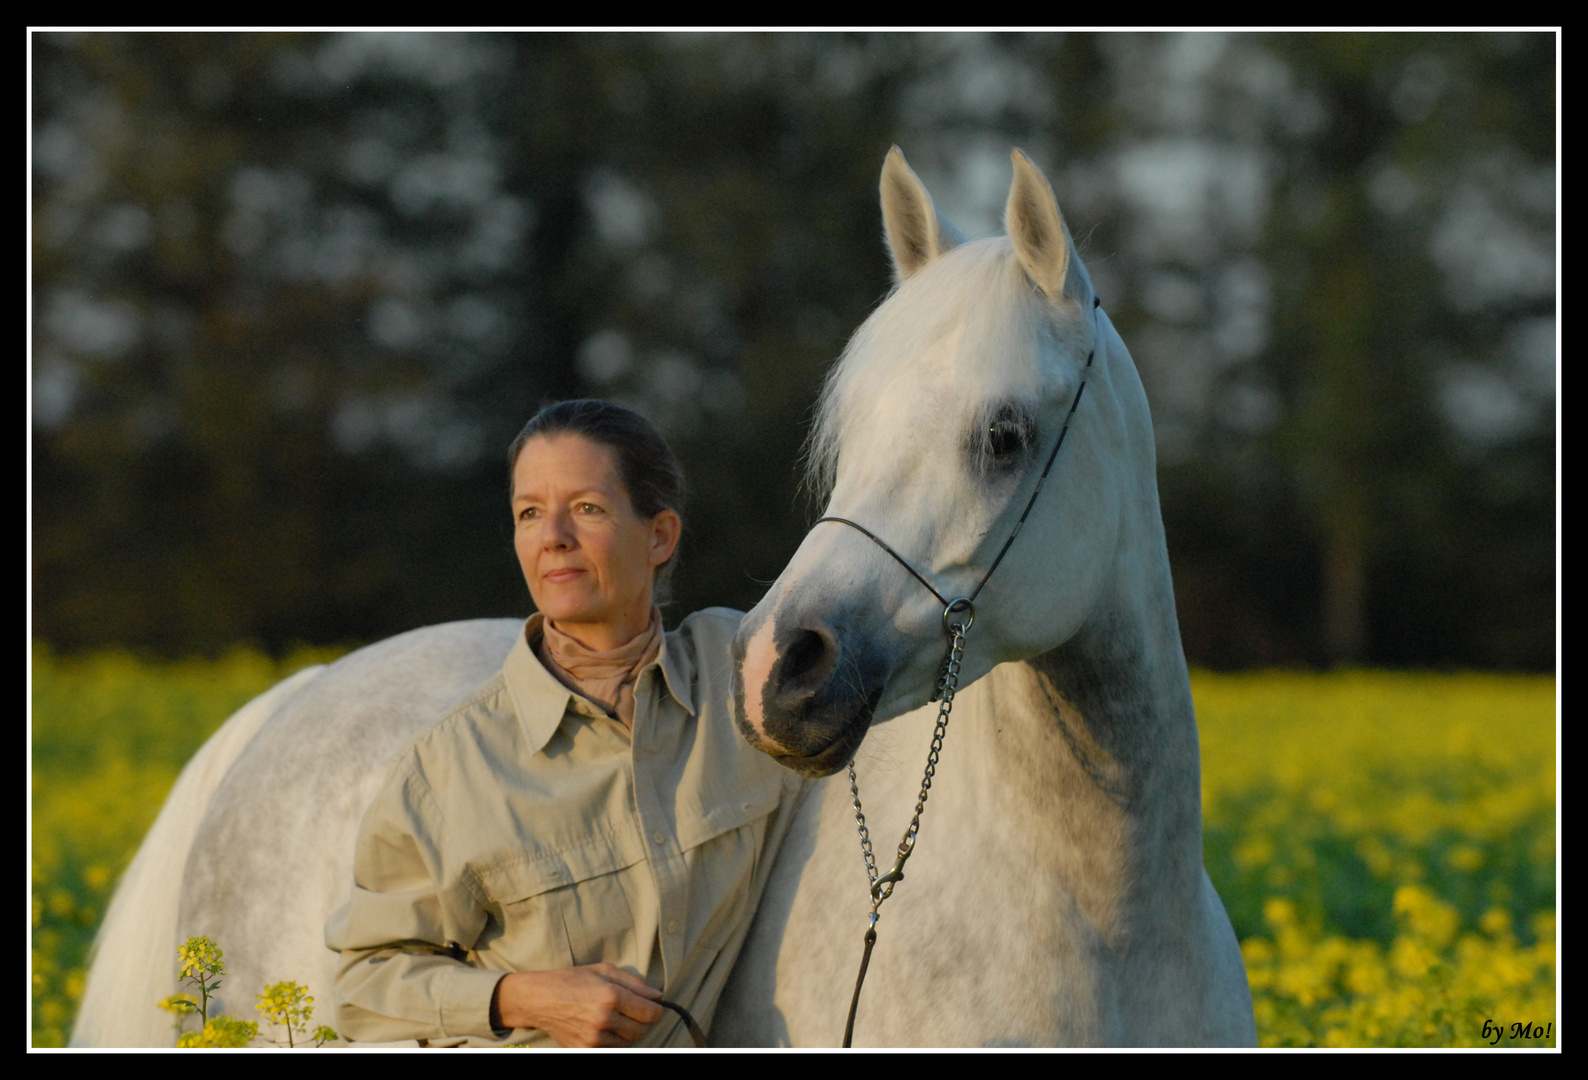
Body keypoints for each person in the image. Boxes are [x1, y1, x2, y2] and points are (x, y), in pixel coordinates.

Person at [325, 400, 805, 1047]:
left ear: (660, 535)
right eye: (529, 513)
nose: (552, 535)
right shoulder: (451, 766)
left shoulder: (742, 678)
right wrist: (526, 998)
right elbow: (364, 985)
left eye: (586, 508)